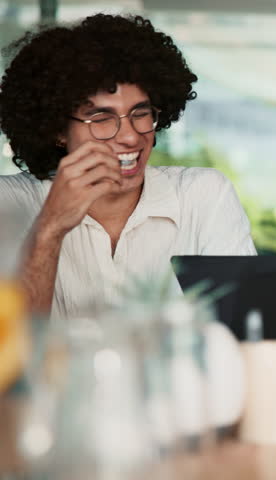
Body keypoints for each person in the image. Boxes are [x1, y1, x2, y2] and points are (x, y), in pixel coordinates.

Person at [0, 14, 255, 319]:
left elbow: (246, 332)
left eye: (141, 113)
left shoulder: (203, 196)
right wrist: (51, 227)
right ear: (57, 130)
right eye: (102, 118)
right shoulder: (9, 204)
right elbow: (10, 353)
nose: (131, 135)